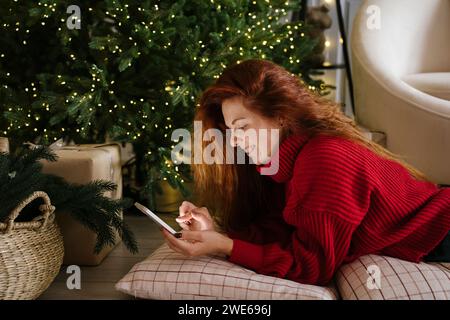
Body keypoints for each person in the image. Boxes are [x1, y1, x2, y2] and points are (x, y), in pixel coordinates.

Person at [161, 59, 450, 286]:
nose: (233, 141)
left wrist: (225, 245)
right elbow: (285, 228)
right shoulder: (291, 161)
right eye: (230, 130)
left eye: (242, 126)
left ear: (281, 117)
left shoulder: (323, 159)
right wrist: (215, 232)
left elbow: (312, 267)